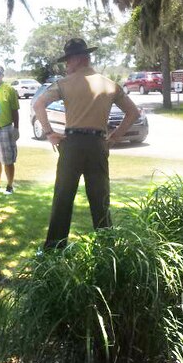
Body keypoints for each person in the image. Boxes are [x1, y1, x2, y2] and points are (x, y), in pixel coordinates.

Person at [33, 38, 140, 248]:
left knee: (63, 197)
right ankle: (107, 249)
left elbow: (38, 105)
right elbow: (133, 112)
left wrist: (49, 133)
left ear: (78, 59)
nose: (66, 66)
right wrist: (115, 136)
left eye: (68, 61)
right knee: (100, 200)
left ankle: (54, 248)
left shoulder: (64, 83)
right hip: (98, 145)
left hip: (72, 144)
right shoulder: (109, 84)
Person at [0, 66, 19, 194]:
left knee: (7, 160)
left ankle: (9, 186)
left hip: (5, 128)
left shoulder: (9, 89)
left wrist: (16, 128)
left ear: (2, 75)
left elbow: (15, 110)